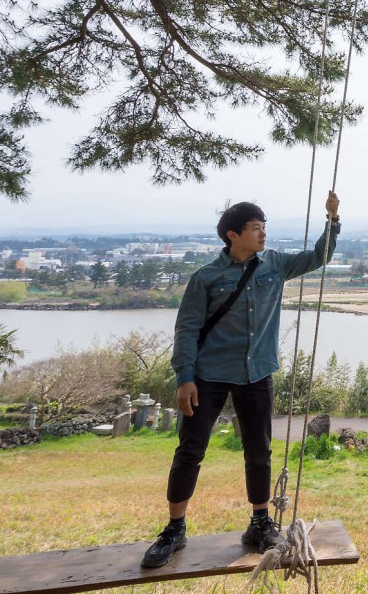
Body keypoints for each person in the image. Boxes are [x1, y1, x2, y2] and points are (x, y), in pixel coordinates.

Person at [141, 191, 341, 568]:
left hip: (257, 373)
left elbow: (319, 257)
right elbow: (186, 329)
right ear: (233, 235)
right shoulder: (206, 277)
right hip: (208, 376)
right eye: (255, 227)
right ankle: (174, 529)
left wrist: (332, 220)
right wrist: (184, 377)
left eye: (264, 227)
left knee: (259, 450)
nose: (263, 233)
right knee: (190, 452)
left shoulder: (275, 265)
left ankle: (260, 522)